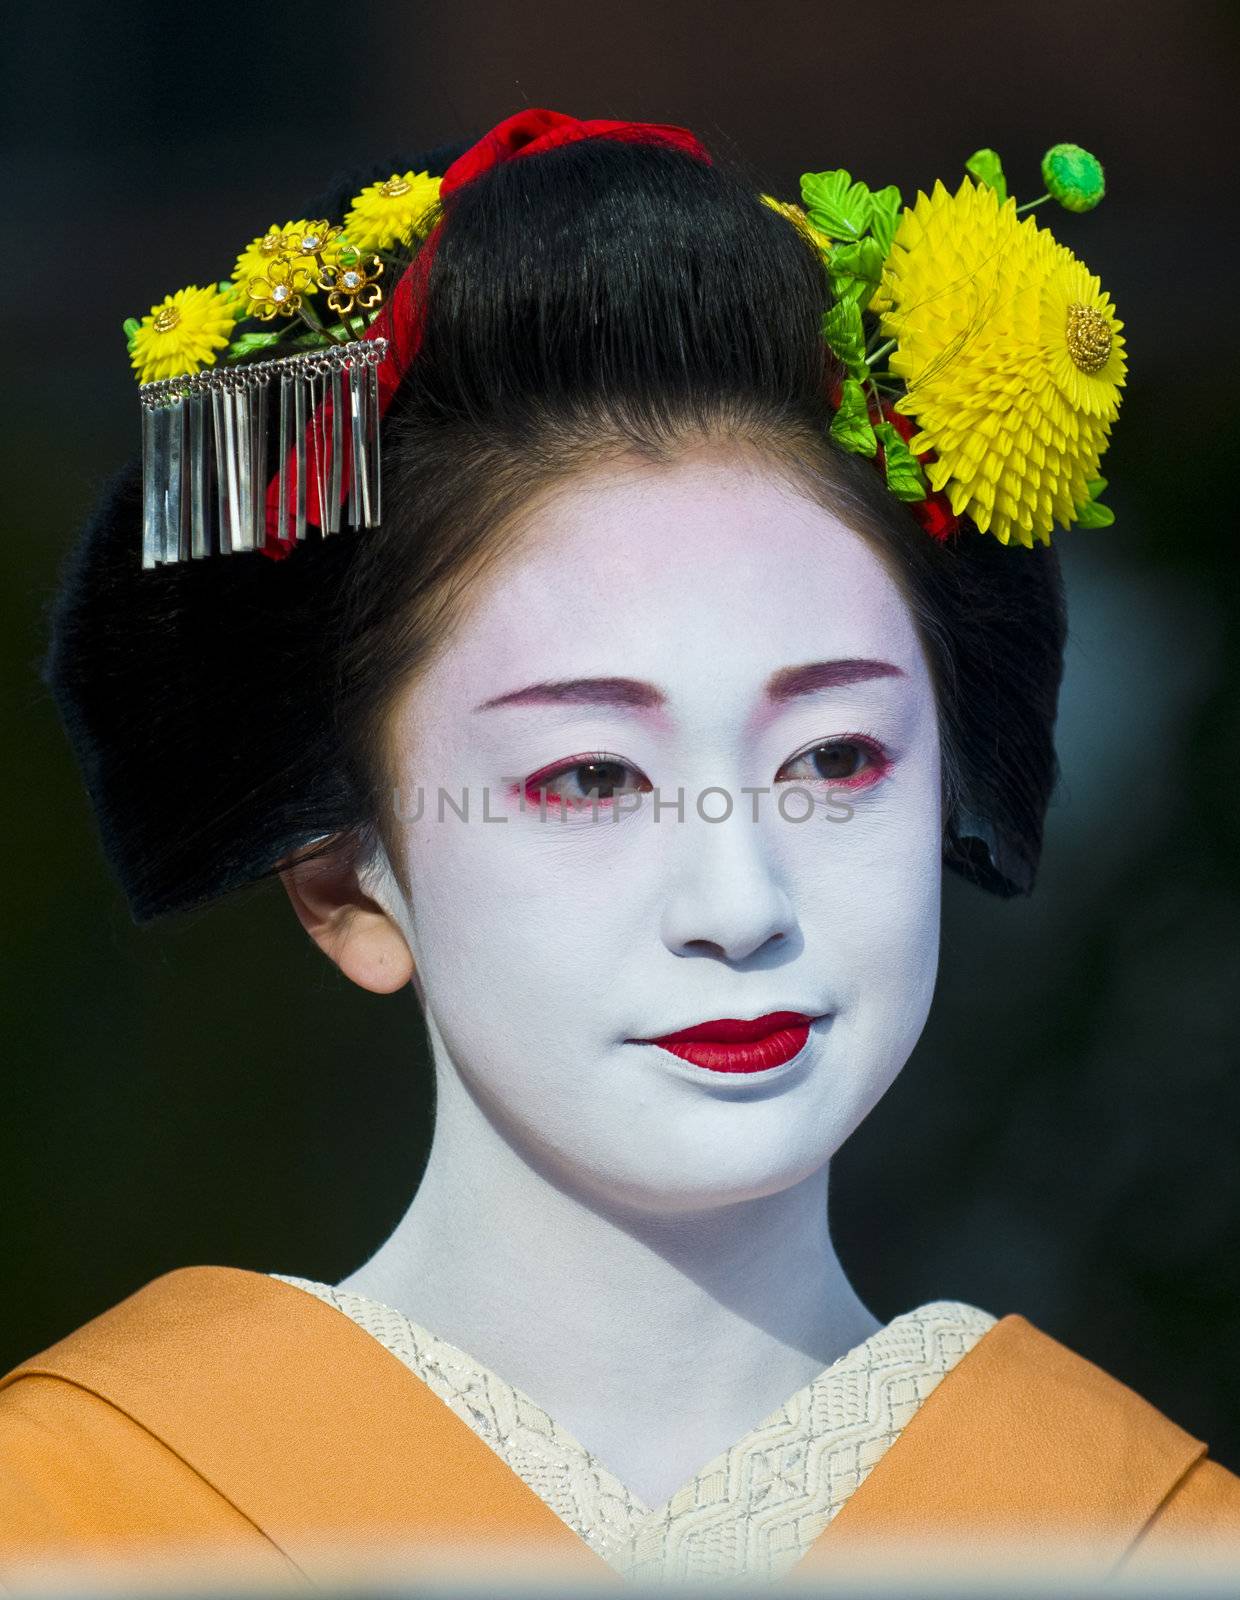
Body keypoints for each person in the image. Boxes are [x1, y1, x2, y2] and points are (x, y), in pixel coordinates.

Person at [2, 107, 1237, 1592]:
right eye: (590, 775)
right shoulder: (80, 1519)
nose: (739, 903)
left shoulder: (1143, 1543)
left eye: (834, 758)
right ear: (347, 874)